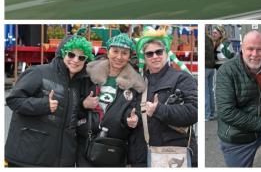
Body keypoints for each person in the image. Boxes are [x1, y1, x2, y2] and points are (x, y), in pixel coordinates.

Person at [5, 35, 94, 167]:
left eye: (81, 57)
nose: (75, 60)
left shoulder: (77, 84)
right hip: (29, 157)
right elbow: (14, 100)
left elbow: (67, 117)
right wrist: (43, 105)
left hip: (60, 160)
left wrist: (83, 105)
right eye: (71, 55)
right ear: (62, 54)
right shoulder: (38, 72)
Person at [216, 30, 261, 167]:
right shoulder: (227, 70)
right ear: (241, 48)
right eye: (250, 49)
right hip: (239, 137)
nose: (255, 54)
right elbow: (226, 112)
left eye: (259, 50)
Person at [79, 33, 145, 167]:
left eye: (124, 53)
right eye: (115, 51)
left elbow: (135, 108)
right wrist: (83, 104)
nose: (119, 57)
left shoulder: (134, 83)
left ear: (129, 56)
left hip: (114, 146)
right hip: (86, 142)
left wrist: (133, 119)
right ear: (107, 52)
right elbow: (73, 102)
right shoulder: (88, 75)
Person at [137, 34, 198, 166]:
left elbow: (194, 112)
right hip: (145, 155)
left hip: (175, 154)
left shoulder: (182, 78)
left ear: (166, 53)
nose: (155, 56)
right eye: (149, 54)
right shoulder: (139, 82)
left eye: (159, 52)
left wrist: (159, 110)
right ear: (144, 57)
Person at [207, 25, 235, 121]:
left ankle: (228, 112)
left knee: (225, 90)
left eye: (215, 32)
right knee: (219, 91)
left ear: (220, 33)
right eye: (213, 32)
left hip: (224, 69)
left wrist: (214, 55)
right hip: (218, 69)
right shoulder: (216, 43)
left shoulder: (225, 43)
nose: (213, 34)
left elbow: (229, 55)